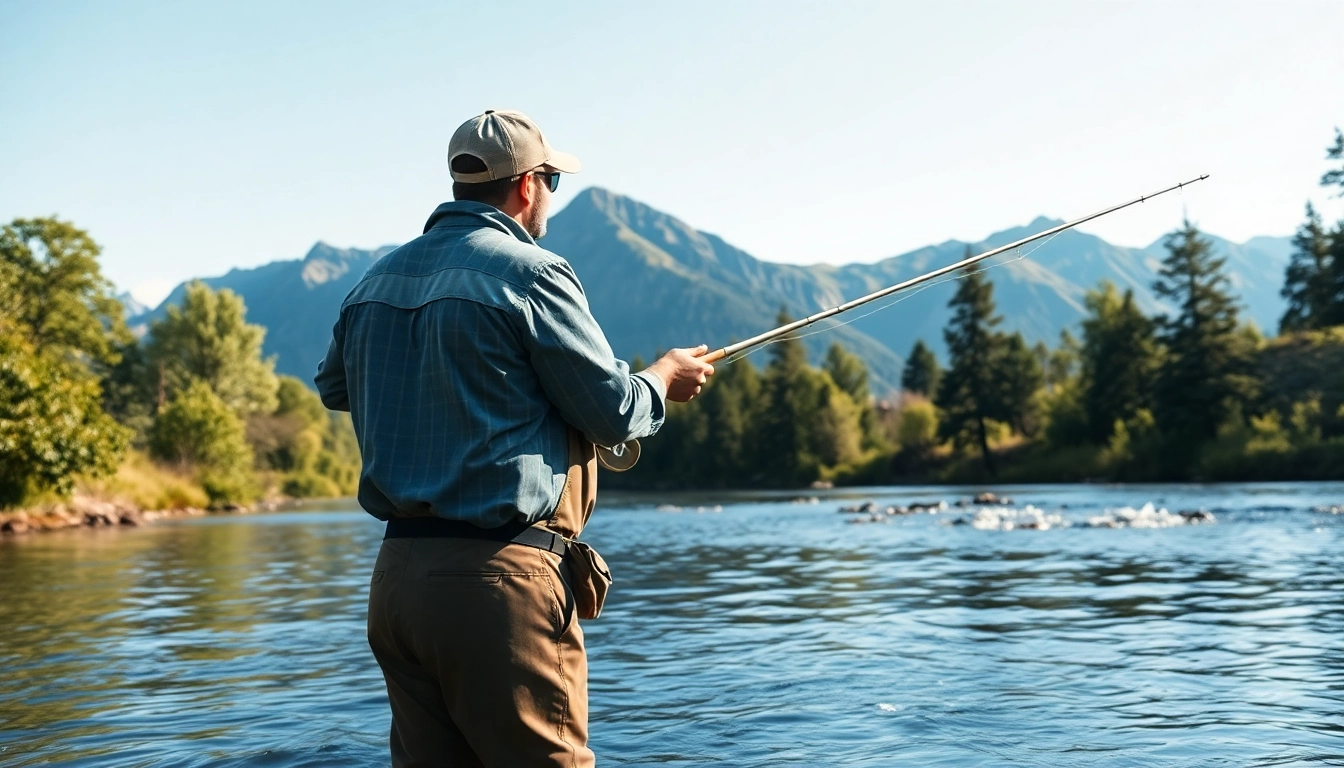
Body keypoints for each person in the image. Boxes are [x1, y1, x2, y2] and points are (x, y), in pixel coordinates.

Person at [314, 108, 714, 768]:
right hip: (500, 585)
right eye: (552, 181)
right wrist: (663, 377)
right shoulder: (533, 273)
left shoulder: (373, 283)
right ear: (527, 185)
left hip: (397, 586)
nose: (551, 196)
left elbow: (335, 387)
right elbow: (613, 411)